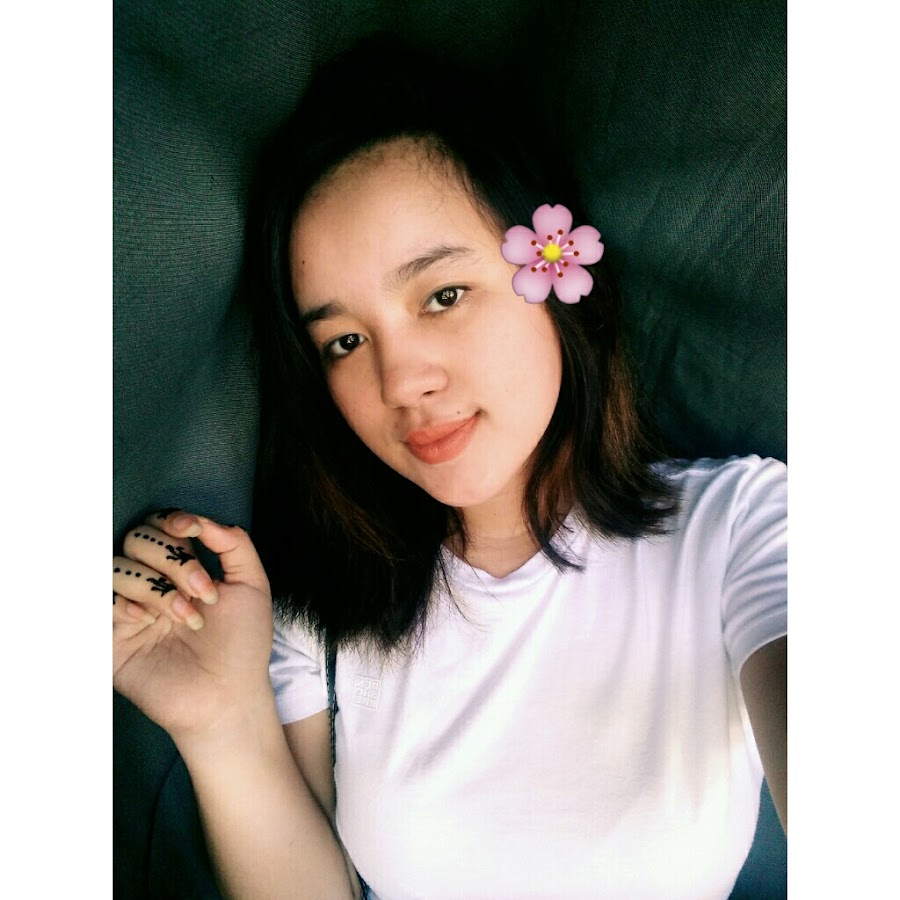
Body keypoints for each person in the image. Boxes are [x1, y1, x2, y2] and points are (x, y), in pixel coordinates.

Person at [112, 34, 786, 900]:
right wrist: (222, 725)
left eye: (442, 295)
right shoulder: (319, 608)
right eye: (344, 342)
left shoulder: (742, 531)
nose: (399, 382)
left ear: (558, 278)